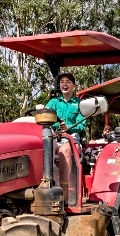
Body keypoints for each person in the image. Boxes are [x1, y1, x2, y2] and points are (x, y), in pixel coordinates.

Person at [45, 72, 85, 205]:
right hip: (55, 134)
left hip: (72, 137)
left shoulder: (80, 104)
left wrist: (68, 127)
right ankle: (46, 185)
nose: (64, 84)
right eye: (62, 82)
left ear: (74, 85)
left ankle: (64, 193)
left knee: (65, 149)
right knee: (46, 146)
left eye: (68, 81)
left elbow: (81, 124)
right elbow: (45, 115)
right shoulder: (53, 102)